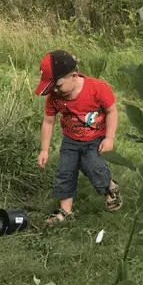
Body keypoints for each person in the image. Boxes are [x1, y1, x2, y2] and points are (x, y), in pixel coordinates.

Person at [35, 49, 122, 223]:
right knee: (65, 172)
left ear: (74, 76)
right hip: (70, 140)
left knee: (95, 168)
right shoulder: (54, 97)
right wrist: (44, 150)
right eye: (52, 88)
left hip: (94, 138)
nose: (55, 91)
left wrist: (109, 138)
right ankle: (65, 212)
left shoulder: (97, 88)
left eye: (58, 86)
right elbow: (48, 122)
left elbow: (112, 111)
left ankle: (110, 190)